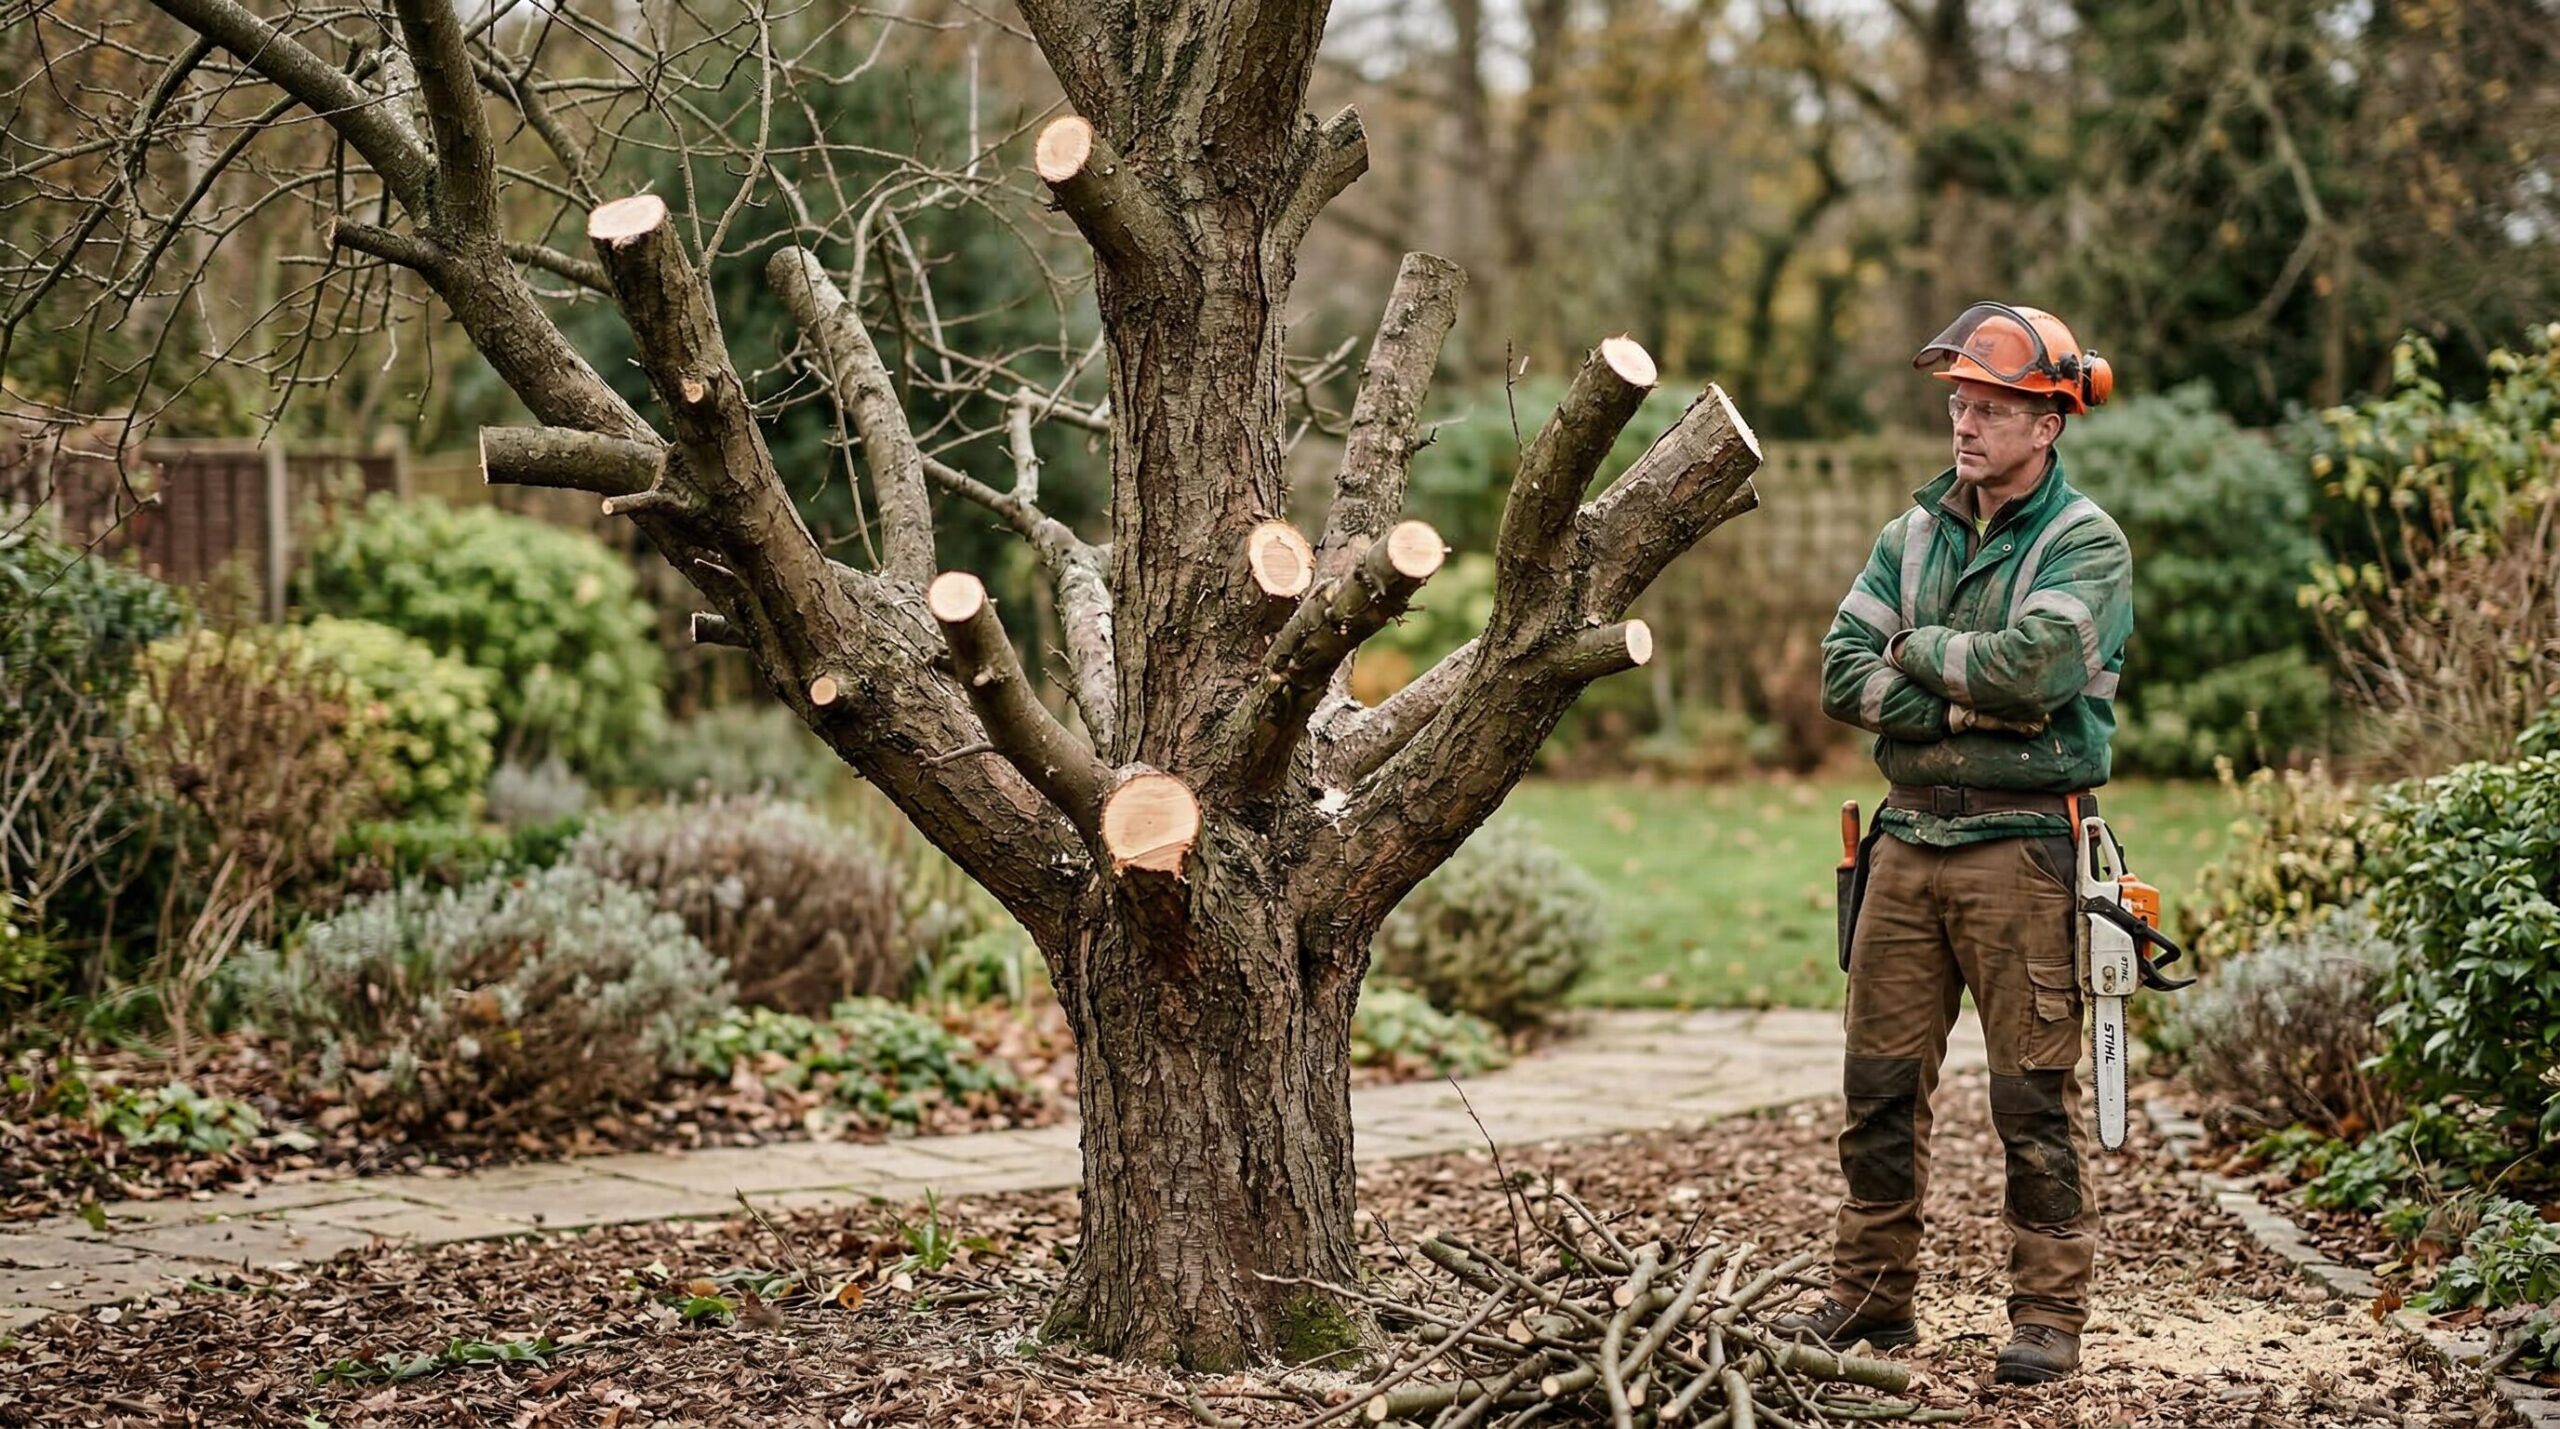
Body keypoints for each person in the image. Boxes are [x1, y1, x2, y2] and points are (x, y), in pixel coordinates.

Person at [1779, 303, 2132, 1385]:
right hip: (1904, 843)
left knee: (2031, 1094)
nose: (1965, 425)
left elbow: (2038, 674)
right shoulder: (1911, 532)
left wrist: (1914, 653)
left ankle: (2047, 1313)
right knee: (1876, 1084)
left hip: (2023, 847)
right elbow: (1842, 671)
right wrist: (1961, 695)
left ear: (2050, 422)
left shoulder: (2086, 542)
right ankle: (1871, 1300)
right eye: (1958, 404)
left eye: (1991, 408)